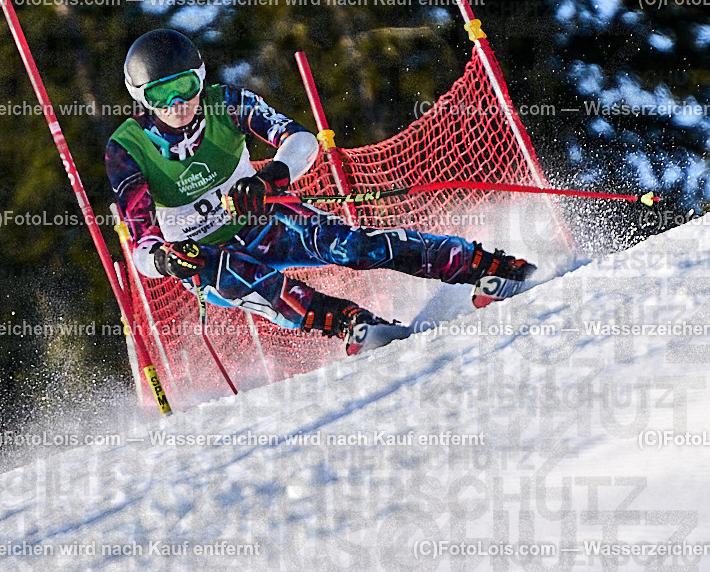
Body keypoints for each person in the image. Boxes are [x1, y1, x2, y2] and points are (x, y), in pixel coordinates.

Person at [105, 29, 534, 355]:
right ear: (141, 97)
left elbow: (301, 141)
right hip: (205, 253)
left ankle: (486, 266)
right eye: (161, 94)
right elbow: (143, 245)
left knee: (352, 247)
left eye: (186, 87)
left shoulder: (227, 102)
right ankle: (354, 324)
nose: (178, 103)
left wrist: (269, 177)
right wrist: (166, 259)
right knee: (252, 284)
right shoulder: (126, 149)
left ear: (201, 79)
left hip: (263, 218)